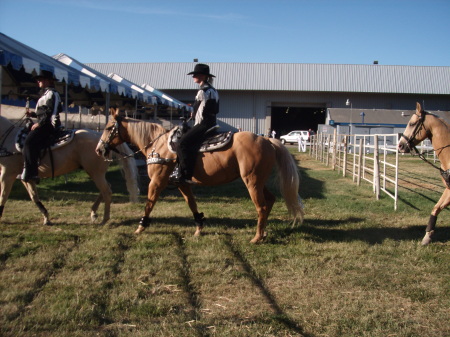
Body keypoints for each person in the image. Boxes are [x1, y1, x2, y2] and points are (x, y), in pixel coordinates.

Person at [175, 64, 219, 184]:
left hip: (203, 124)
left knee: (181, 143)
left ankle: (185, 175)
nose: (193, 76)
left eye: (196, 74)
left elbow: (196, 111)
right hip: (212, 122)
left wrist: (192, 114)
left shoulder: (202, 91)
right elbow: (215, 109)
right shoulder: (214, 90)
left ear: (204, 76)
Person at [20, 70, 62, 182]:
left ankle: (33, 173)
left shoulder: (52, 94)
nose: (38, 82)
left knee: (29, 142)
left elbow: (51, 111)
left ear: (48, 81)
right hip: (44, 123)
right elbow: (43, 112)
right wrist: (33, 114)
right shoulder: (46, 93)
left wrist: (39, 123)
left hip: (48, 125)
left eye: (40, 79)